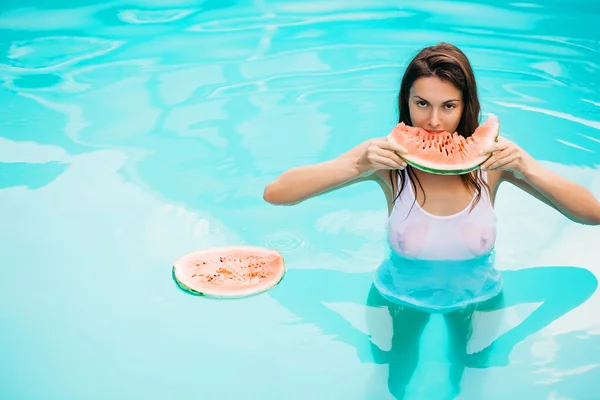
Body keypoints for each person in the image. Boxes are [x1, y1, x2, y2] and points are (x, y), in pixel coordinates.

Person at [263, 42, 600, 398]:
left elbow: (592, 214)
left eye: (448, 106)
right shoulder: (386, 161)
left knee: (466, 377)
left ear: (466, 106)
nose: (434, 121)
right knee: (394, 379)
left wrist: (528, 168)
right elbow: (276, 193)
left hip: (479, 297)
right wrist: (357, 165)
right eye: (421, 103)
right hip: (396, 295)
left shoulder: (492, 161)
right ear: (405, 102)